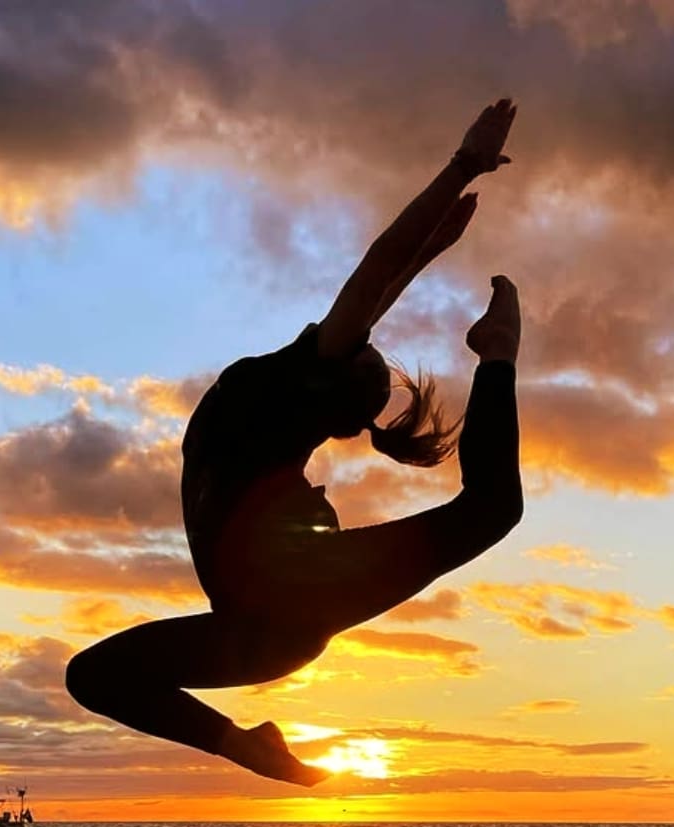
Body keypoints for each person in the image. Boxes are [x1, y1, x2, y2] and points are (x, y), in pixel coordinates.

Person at [66, 99, 523, 786]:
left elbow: (373, 276)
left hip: (288, 599)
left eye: (364, 353)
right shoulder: (294, 389)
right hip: (261, 627)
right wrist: (433, 247)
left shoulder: (289, 387)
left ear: (338, 381)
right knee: (92, 675)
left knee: (493, 509)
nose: (366, 339)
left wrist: (461, 168)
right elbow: (376, 292)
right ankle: (246, 746)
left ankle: (497, 353)